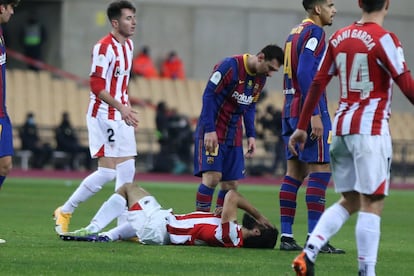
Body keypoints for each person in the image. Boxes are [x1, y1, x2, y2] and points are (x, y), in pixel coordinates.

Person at [289, 0, 414, 275]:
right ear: (388, 4)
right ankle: (366, 271)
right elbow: (405, 83)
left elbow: (318, 82)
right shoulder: (386, 39)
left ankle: (308, 254)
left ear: (359, 3)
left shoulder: (339, 36)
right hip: (371, 131)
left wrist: (301, 126)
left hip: (343, 130)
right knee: (373, 202)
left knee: (352, 200)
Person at [54, 0, 139, 234]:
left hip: (121, 115)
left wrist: (127, 108)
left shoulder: (129, 46)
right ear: (115, 22)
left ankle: (122, 228)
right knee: (108, 172)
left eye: (134, 17)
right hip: (103, 115)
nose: (133, 22)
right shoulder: (104, 48)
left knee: (127, 171)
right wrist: (120, 108)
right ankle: (66, 210)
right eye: (128, 18)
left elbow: (121, 83)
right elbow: (96, 84)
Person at [279, 0, 343, 253]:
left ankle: (286, 236)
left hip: (289, 109)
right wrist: (315, 114)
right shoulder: (315, 33)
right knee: (320, 169)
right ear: (317, 9)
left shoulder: (293, 32)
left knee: (294, 172)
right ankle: (315, 239)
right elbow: (306, 72)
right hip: (307, 110)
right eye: (330, 4)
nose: (334, 9)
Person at [194, 44, 284, 212]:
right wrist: (209, 129)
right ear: (261, 57)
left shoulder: (261, 78)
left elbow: (250, 106)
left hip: (234, 134)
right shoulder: (229, 66)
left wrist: (251, 135)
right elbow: (208, 95)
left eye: (274, 71)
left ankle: (217, 226)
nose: (270, 74)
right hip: (214, 129)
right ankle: (200, 222)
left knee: (231, 184)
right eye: (270, 68)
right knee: (212, 178)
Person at [60, 182, 278, 249]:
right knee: (134, 211)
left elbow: (232, 195)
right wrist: (214, 216)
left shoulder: (232, 236)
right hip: (160, 227)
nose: (260, 220)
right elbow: (204, 230)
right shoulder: (231, 233)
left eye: (262, 224)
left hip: (159, 226)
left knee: (128, 188)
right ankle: (107, 236)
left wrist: (258, 213)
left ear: (257, 231)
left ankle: (94, 227)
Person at [0, 0, 19, 244]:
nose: (13, 12)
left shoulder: (2, 34)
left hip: (1, 112)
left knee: (5, 165)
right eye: (11, 6)